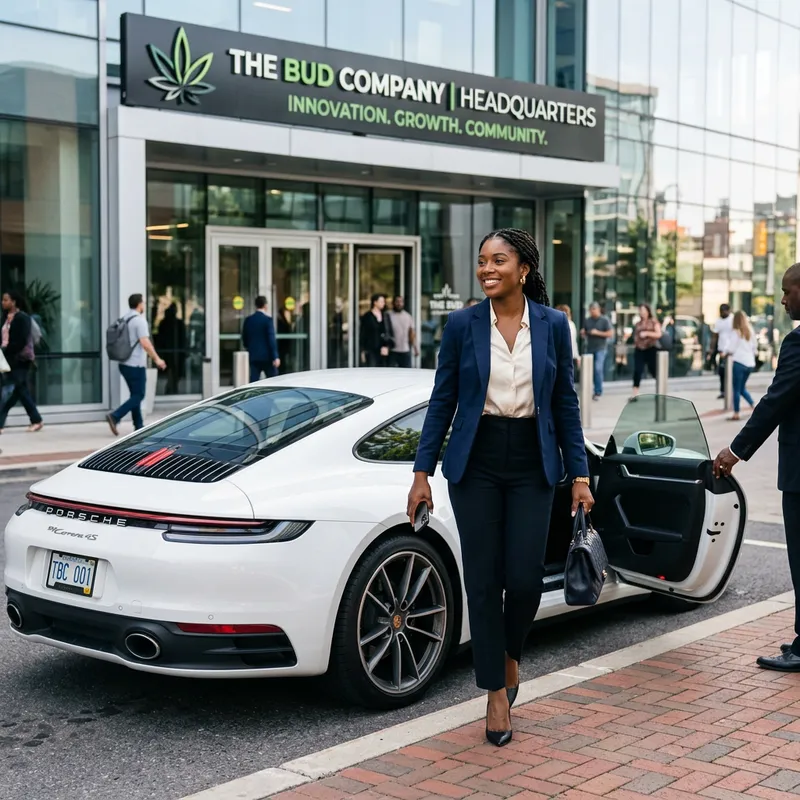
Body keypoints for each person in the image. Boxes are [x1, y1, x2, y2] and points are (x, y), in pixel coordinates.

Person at [408, 228, 593, 747]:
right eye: (482, 261)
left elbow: (565, 404)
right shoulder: (462, 325)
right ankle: (494, 691)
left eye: (499, 260)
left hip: (534, 462)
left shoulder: (554, 326)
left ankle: (509, 657)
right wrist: (421, 473)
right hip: (478, 462)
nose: (487, 269)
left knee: (527, 579)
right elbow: (441, 402)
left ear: (524, 269)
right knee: (484, 580)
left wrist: (579, 475)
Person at [713, 264, 800, 671]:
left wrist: (735, 451)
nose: (783, 300)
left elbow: (776, 401)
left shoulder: (798, 341)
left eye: (787, 291)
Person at [105, 293, 166, 435]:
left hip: (124, 364)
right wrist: (157, 359)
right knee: (139, 395)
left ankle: (138, 426)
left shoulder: (125, 318)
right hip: (135, 365)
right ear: (139, 304)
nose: (143, 305)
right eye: (143, 303)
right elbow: (145, 343)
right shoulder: (139, 321)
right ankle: (115, 416)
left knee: (135, 395)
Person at [0, 290, 43, 433]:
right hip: (8, 358)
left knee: (18, 389)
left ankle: (35, 420)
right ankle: (36, 419)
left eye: (6, 300)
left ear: (14, 302)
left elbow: (21, 340)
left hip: (20, 359)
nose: (3, 302)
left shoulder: (22, 318)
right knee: (19, 389)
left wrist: (6, 349)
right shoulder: (5, 318)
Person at [725, 310, 757, 421]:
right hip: (750, 363)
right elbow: (754, 347)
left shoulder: (736, 332)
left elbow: (731, 348)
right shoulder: (750, 330)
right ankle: (753, 405)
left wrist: (726, 353)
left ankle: (736, 413)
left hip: (739, 363)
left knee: (736, 389)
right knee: (742, 387)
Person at [241, 295, 280, 382]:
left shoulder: (248, 320)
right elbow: (271, 339)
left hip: (253, 355)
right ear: (265, 305)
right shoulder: (267, 320)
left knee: (254, 382)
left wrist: (248, 347)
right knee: (274, 381)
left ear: (256, 305)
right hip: (267, 357)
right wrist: (275, 356)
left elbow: (244, 337)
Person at [580, 302, 612, 399]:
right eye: (590, 310)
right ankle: (586, 389)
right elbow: (584, 332)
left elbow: (610, 334)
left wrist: (598, 333)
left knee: (598, 369)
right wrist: (583, 333)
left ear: (598, 309)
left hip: (601, 348)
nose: (592, 312)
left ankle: (598, 391)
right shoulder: (588, 320)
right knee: (588, 370)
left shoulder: (605, 320)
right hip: (590, 348)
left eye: (593, 309)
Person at [630, 303, 662, 401]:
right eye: (641, 311)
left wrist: (647, 333)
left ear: (648, 311)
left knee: (654, 370)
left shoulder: (653, 322)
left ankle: (660, 391)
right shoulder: (638, 323)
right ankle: (635, 394)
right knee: (637, 370)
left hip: (651, 348)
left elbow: (658, 334)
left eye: (644, 311)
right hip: (639, 349)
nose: (642, 313)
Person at [154, 302, 186, 394]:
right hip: (169, 351)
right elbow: (161, 338)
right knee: (172, 371)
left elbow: (183, 338)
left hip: (177, 350)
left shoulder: (178, 323)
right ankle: (171, 388)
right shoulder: (165, 323)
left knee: (176, 372)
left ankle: (172, 388)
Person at [359, 293, 393, 367]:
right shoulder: (367, 316)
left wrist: (387, 346)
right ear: (375, 302)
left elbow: (389, 332)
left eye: (384, 301)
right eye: (381, 301)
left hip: (383, 350)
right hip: (371, 349)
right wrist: (362, 351)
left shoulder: (385, 316)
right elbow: (363, 334)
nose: (383, 303)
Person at [708, 303, 734, 399]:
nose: (722, 313)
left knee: (731, 372)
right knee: (722, 372)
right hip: (721, 350)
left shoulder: (732, 320)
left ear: (728, 311)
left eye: (723, 311)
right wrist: (711, 349)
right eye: (720, 311)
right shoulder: (718, 321)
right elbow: (715, 336)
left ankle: (731, 391)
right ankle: (723, 391)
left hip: (731, 351)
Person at [387, 296, 418, 368]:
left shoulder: (408, 316)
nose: (399, 304)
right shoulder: (388, 315)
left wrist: (415, 348)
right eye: (397, 301)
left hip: (405, 350)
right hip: (392, 351)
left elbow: (412, 333)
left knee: (406, 374)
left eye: (401, 302)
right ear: (393, 303)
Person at [556, 304, 580, 371]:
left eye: (566, 312)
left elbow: (573, 341)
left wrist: (577, 356)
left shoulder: (571, 324)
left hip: (567, 355)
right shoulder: (556, 324)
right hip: (560, 355)